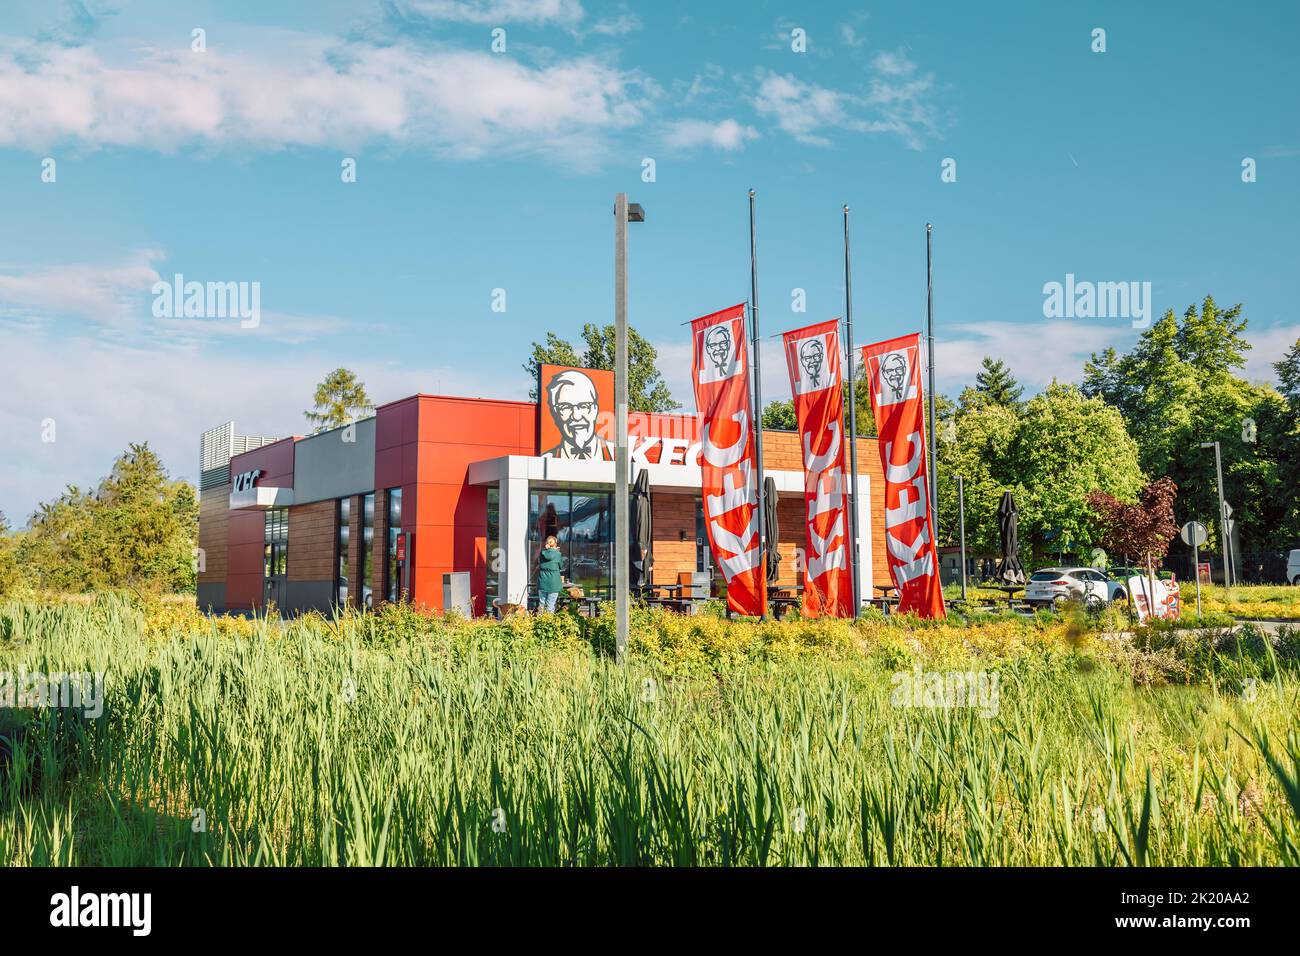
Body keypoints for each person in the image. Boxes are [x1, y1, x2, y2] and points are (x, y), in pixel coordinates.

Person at [537, 536, 564, 613]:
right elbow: (561, 566)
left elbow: (539, 562)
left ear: (546, 543)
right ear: (555, 544)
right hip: (554, 583)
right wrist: (556, 552)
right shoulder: (558, 554)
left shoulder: (542, 553)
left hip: (543, 581)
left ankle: (539, 622)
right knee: (551, 605)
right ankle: (549, 622)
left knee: (541, 604)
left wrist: (547, 549)